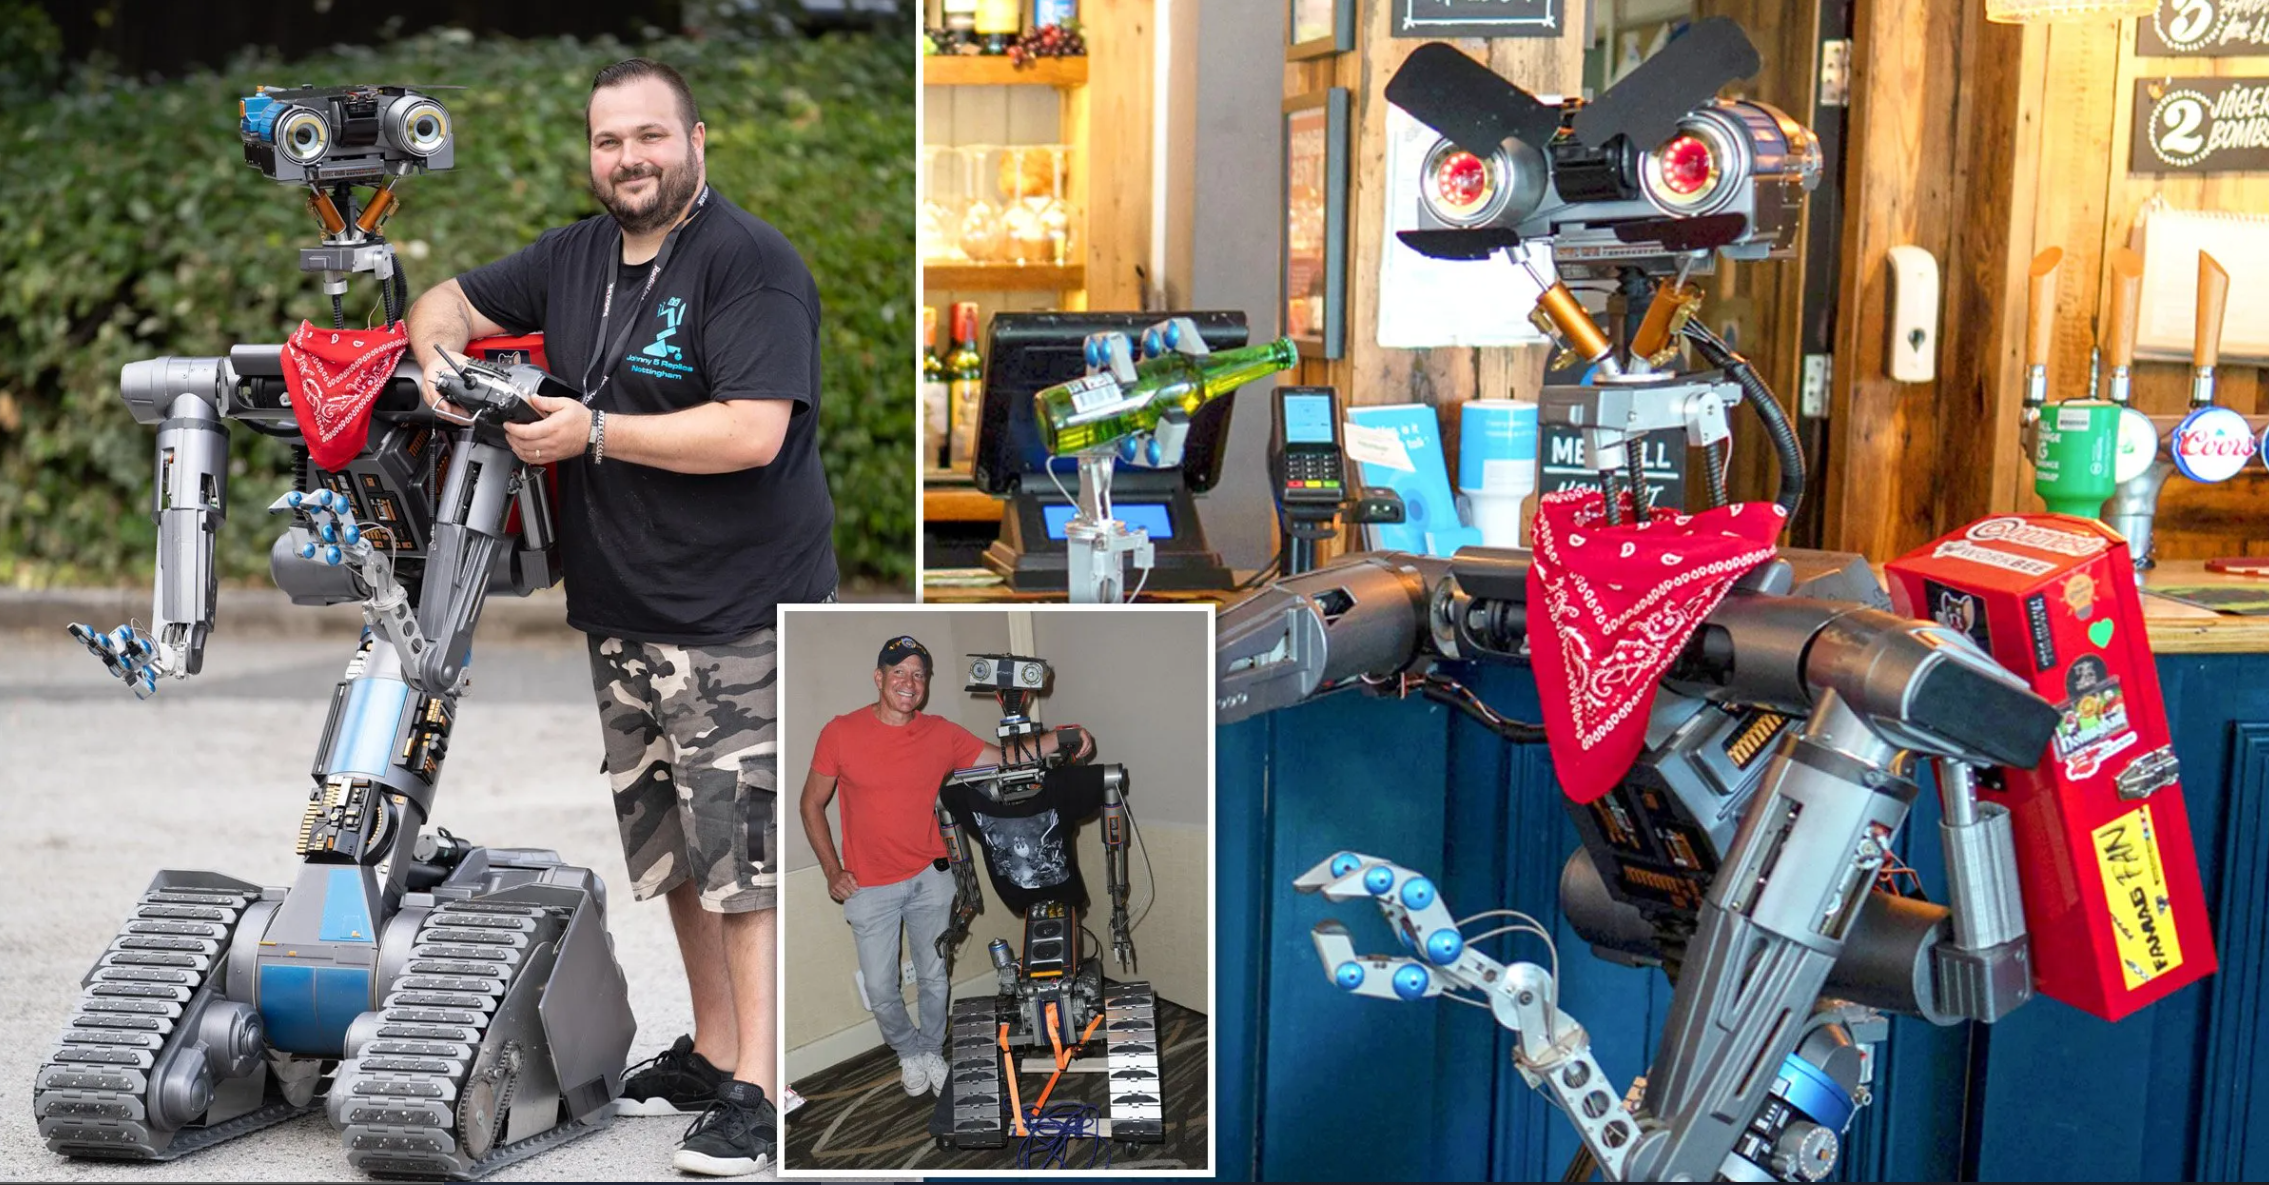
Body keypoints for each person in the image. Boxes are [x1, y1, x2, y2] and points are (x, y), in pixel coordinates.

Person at [403, 56, 835, 1179]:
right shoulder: (574, 257)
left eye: (650, 136)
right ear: (591, 156)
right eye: (608, 142)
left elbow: (750, 430)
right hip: (627, 609)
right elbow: (444, 298)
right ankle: (714, 1050)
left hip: (738, 613)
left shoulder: (750, 264)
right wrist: (437, 365)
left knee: (744, 861)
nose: (629, 158)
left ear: (699, 142)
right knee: (680, 857)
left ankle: (765, 1094)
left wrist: (591, 431)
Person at [798, 636, 1090, 1098]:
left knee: (934, 975)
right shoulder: (840, 732)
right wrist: (833, 870)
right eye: (899, 672)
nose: (909, 682)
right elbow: (811, 805)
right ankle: (908, 1052)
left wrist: (1064, 737)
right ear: (879, 678)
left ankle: (932, 1048)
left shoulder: (942, 733)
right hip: (869, 886)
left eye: (919, 674)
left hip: (932, 878)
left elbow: (1003, 759)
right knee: (880, 987)